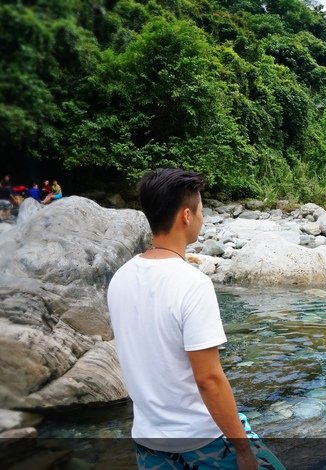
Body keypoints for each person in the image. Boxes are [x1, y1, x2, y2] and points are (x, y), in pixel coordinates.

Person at [107, 169, 280, 468]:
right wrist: (242, 450)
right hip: (202, 441)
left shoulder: (120, 277)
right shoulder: (192, 284)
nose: (203, 217)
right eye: (201, 210)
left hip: (148, 442)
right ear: (186, 216)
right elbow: (209, 380)